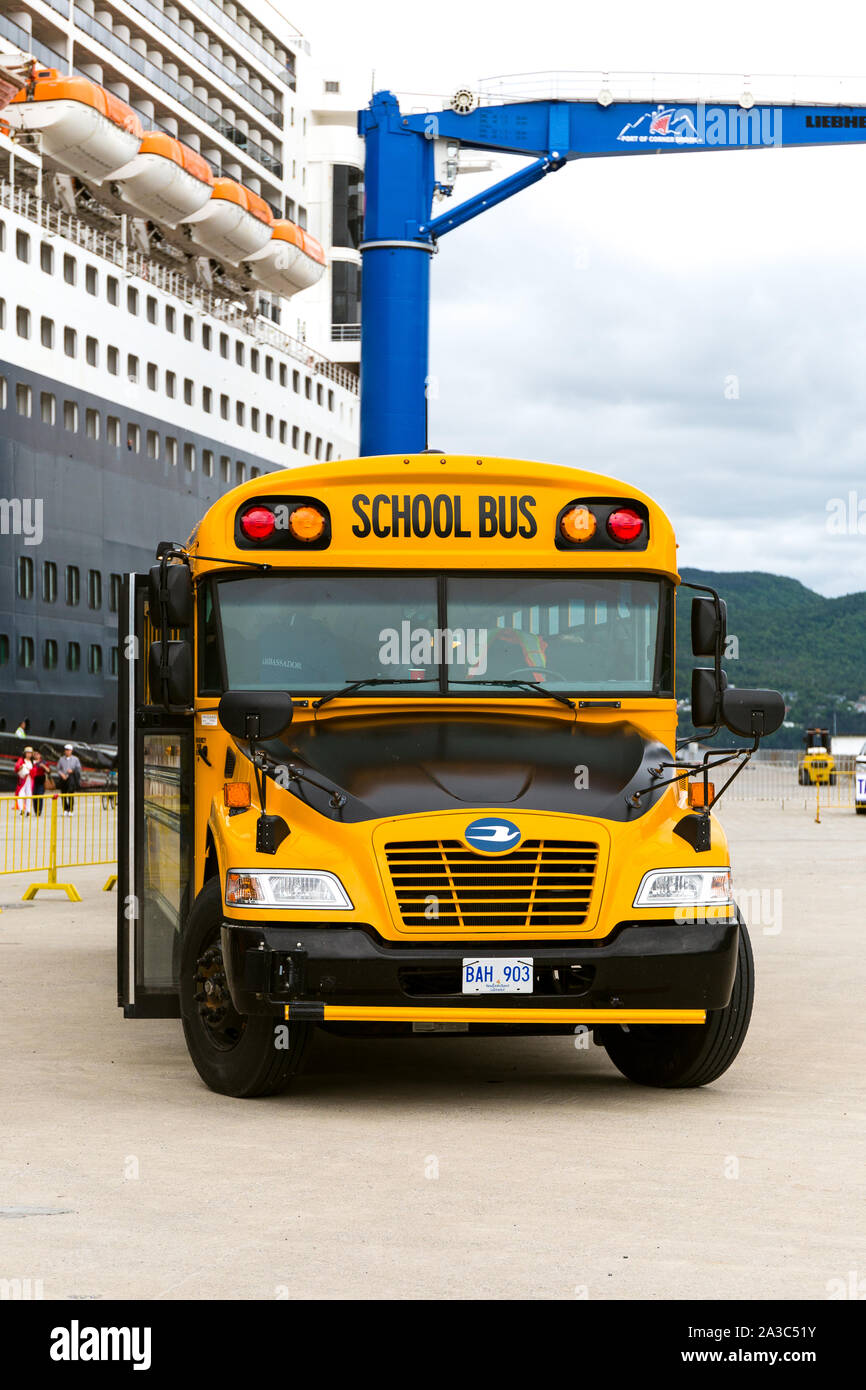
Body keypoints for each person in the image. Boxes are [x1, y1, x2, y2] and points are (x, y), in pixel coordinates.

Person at [55, 744, 82, 815]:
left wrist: (72, 771)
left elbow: (78, 768)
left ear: (71, 751)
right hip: (63, 777)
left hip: (71, 777)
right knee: (63, 794)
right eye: (66, 750)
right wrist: (62, 774)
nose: (67, 752)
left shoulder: (75, 759)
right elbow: (58, 769)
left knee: (70, 793)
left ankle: (70, 809)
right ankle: (65, 809)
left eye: (68, 750)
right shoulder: (61, 759)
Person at [14, 747, 35, 815]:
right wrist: (22, 767)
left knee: (29, 794)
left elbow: (35, 770)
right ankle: (21, 809)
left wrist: (30, 771)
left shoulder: (32, 761)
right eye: (27, 753)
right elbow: (17, 767)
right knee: (21, 794)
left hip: (30, 779)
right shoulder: (21, 760)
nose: (29, 754)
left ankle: (28, 810)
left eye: (30, 753)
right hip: (23, 779)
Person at [31, 751, 52, 818]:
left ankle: (39, 810)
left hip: (41, 781)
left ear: (40, 755)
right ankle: (35, 810)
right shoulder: (31, 762)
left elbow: (48, 771)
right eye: (34, 754)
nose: (36, 755)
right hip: (33, 781)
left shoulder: (43, 762)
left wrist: (43, 766)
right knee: (34, 797)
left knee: (40, 796)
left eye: (37, 754)